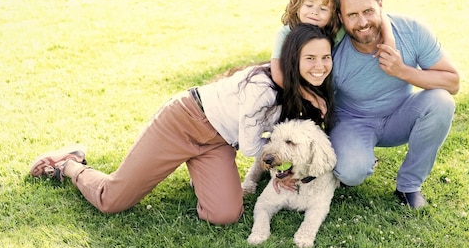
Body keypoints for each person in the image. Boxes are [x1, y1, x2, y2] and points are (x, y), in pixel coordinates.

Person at [29, 23, 335, 225]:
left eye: (325, 58)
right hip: (184, 122)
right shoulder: (262, 86)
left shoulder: (303, 94)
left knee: (225, 214)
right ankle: (70, 164)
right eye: (310, 58)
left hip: (219, 143)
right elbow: (254, 148)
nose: (319, 66)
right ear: (293, 58)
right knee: (113, 200)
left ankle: (199, 172)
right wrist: (279, 161)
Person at [330, 0, 460, 208]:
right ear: (340, 16)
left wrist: (402, 71)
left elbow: (453, 82)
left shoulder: (411, 30)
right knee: (351, 172)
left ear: (380, 5)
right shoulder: (333, 46)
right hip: (353, 121)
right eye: (352, 15)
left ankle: (409, 186)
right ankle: (355, 157)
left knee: (442, 101)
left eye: (368, 11)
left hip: (400, 116)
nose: (362, 22)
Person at [270, 0, 394, 117]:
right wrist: (309, 96)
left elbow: (380, 12)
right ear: (297, 6)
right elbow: (278, 74)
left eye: (323, 8)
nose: (314, 12)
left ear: (335, 15)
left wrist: (389, 40)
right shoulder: (286, 32)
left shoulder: (336, 31)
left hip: (324, 86)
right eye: (309, 5)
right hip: (291, 88)